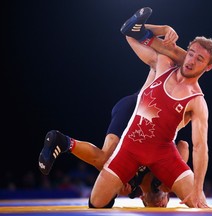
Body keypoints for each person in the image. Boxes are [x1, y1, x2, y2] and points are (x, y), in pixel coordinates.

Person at [38, 16, 189, 207]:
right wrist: (172, 177)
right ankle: (141, 31)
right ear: (168, 199)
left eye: (156, 207)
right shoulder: (165, 183)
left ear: (142, 199)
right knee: (169, 69)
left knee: (105, 160)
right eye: (164, 204)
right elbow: (183, 144)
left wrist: (119, 182)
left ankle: (63, 141)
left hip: (129, 112)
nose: (161, 205)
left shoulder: (128, 186)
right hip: (146, 108)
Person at [86, 7, 212, 208]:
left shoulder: (197, 100)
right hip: (130, 147)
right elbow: (130, 32)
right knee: (96, 203)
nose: (191, 60)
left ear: (208, 67)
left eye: (199, 59)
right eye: (191, 53)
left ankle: (159, 190)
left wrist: (198, 189)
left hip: (163, 153)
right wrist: (163, 28)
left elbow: (201, 147)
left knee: (198, 204)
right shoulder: (163, 63)